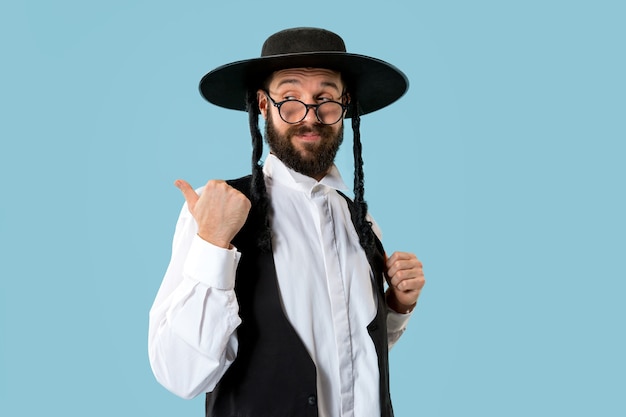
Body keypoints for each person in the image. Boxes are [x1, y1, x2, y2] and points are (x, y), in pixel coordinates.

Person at [148, 27, 426, 417]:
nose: (309, 116)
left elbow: (346, 356)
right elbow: (180, 375)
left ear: (344, 106)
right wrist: (213, 242)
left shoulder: (361, 223)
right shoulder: (216, 211)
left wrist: (395, 305)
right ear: (264, 105)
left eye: (325, 98)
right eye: (290, 98)